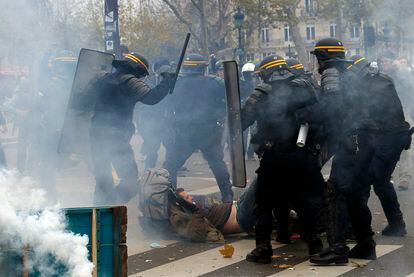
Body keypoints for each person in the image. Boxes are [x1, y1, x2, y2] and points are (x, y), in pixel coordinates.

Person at [241, 55, 325, 264]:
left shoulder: (261, 93)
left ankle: (263, 248)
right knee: (306, 201)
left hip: (275, 155)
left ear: (266, 73)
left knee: (265, 202)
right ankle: (315, 245)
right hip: (303, 155)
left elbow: (242, 120)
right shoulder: (305, 86)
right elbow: (322, 113)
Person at [309, 38, 378, 265]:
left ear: (323, 57)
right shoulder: (351, 72)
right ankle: (366, 245)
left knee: (334, 192)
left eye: (318, 57)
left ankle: (337, 248)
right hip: (366, 138)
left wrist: (304, 114)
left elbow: (329, 107)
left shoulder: (331, 73)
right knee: (356, 194)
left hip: (353, 139)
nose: (317, 63)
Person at [90, 52, 175, 205]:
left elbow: (82, 101)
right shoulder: (128, 81)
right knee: (130, 182)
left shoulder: (102, 79)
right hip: (116, 138)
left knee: (103, 180)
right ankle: (109, 206)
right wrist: (167, 81)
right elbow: (151, 98)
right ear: (137, 69)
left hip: (96, 134)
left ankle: (99, 215)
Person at [348, 55, 411, 237]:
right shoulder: (379, 80)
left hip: (389, 139)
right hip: (389, 138)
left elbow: (369, 112)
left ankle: (361, 228)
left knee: (368, 180)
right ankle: (395, 223)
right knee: (380, 181)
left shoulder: (376, 84)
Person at [162, 53, 233, 203]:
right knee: (217, 163)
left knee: (170, 166)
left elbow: (167, 107)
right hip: (209, 131)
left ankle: (172, 199)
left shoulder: (175, 84)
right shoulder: (217, 83)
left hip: (183, 132)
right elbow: (227, 105)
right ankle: (227, 197)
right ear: (203, 68)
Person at [137, 58, 172, 170]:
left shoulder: (171, 81)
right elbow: (144, 105)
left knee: (171, 148)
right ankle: (148, 173)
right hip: (152, 122)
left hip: (166, 121)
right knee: (152, 150)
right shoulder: (149, 82)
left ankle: (170, 169)